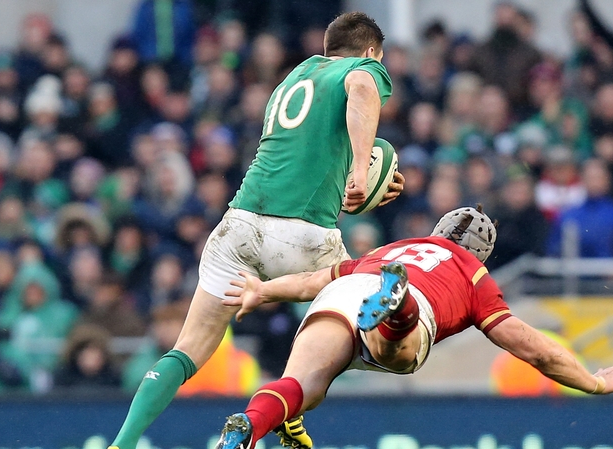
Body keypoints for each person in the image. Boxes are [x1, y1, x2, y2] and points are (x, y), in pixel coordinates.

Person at [108, 12, 404, 449]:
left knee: (187, 350)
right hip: (304, 236)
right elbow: (361, 89)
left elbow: (313, 148)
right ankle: (286, 409)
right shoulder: (364, 70)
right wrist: (364, 171)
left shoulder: (295, 77)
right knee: (367, 330)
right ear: (371, 51)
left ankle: (122, 443)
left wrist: (364, 170)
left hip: (239, 224)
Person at [214, 206, 613, 449]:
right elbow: (534, 349)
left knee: (301, 384)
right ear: (483, 254)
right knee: (397, 353)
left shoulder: (394, 246)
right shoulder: (474, 275)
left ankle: (249, 428)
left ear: (437, 231)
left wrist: (262, 291)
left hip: (347, 288)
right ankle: (398, 309)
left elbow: (313, 281)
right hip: (412, 305)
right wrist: (592, 382)